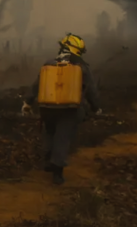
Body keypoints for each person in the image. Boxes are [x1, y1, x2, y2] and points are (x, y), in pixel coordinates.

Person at [22, 34, 103, 186]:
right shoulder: (82, 68)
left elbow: (37, 85)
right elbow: (91, 90)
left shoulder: (49, 64)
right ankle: (57, 172)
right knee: (62, 137)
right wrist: (96, 107)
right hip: (69, 110)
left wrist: (28, 102)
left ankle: (48, 159)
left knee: (49, 132)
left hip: (47, 108)